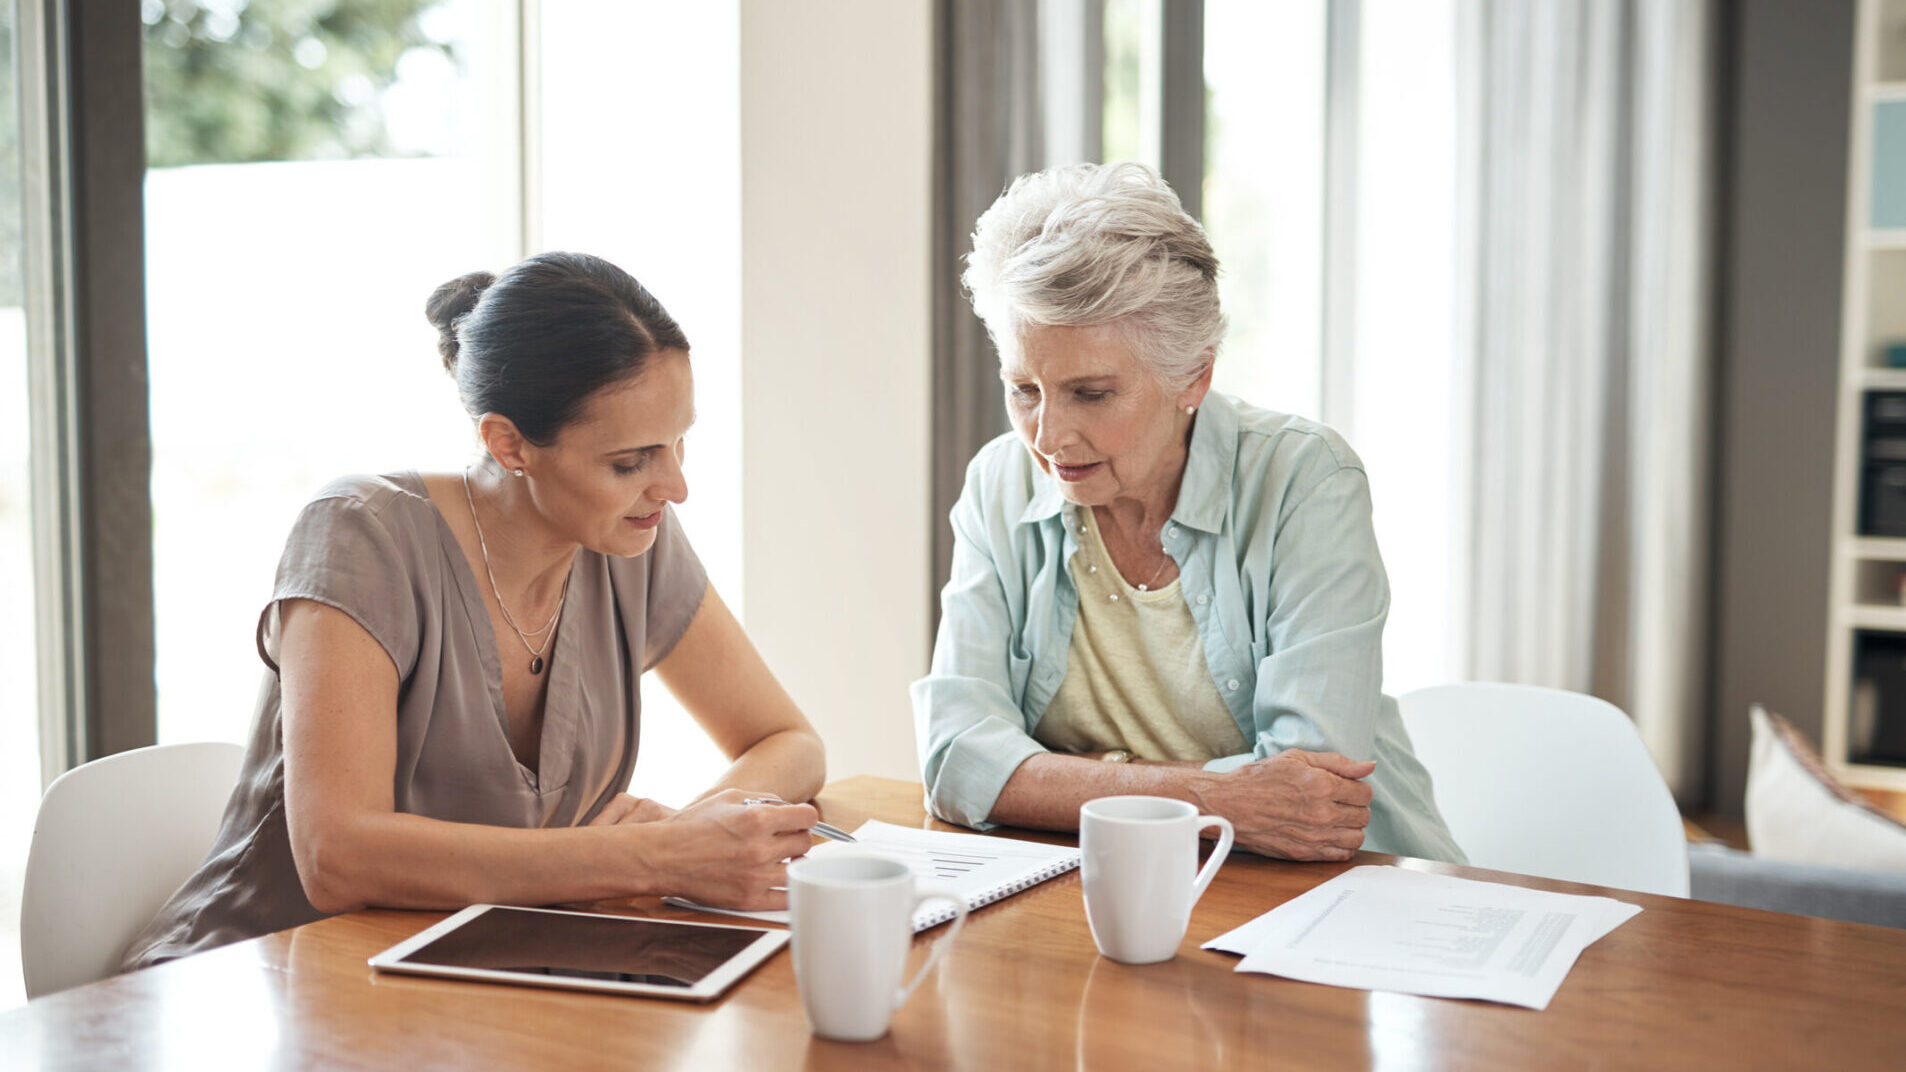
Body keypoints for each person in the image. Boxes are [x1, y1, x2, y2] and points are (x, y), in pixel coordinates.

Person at [124, 252, 826, 970]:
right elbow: (337, 856)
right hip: (252, 984)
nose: (674, 487)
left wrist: (689, 834)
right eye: (630, 461)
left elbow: (790, 742)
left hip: (472, 986)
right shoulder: (361, 536)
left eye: (679, 443)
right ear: (508, 442)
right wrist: (646, 857)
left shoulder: (631, 542)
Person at [912, 163, 1462, 863]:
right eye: (1024, 389)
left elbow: (1309, 797)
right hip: (1111, 886)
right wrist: (1217, 799)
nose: (1047, 438)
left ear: (1194, 376)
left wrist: (1049, 783)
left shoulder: (1305, 482)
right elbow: (956, 759)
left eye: (1091, 393)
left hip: (1337, 897)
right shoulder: (1000, 482)